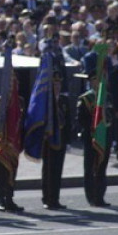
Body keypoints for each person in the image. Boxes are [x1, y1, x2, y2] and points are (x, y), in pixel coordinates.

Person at [77, 71, 111, 206]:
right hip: (91, 137)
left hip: (104, 137)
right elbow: (81, 119)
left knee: (102, 166)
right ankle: (91, 196)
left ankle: (100, 196)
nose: (97, 83)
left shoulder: (106, 97)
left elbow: (110, 116)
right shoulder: (85, 98)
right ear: (90, 82)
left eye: (100, 80)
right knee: (90, 167)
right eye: (95, 80)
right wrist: (92, 129)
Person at [41, 70, 72, 210]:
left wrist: (69, 141)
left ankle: (56, 198)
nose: (57, 86)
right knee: (48, 169)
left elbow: (69, 121)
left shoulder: (64, 100)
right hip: (48, 140)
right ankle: (47, 198)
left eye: (58, 84)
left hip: (61, 140)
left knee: (58, 170)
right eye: (54, 84)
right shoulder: (45, 101)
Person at [0, 94, 25, 212]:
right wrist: (2, 125)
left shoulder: (19, 100)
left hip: (14, 143)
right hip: (2, 143)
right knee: (1, 172)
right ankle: (1, 200)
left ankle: (10, 199)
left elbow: (22, 121)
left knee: (12, 171)